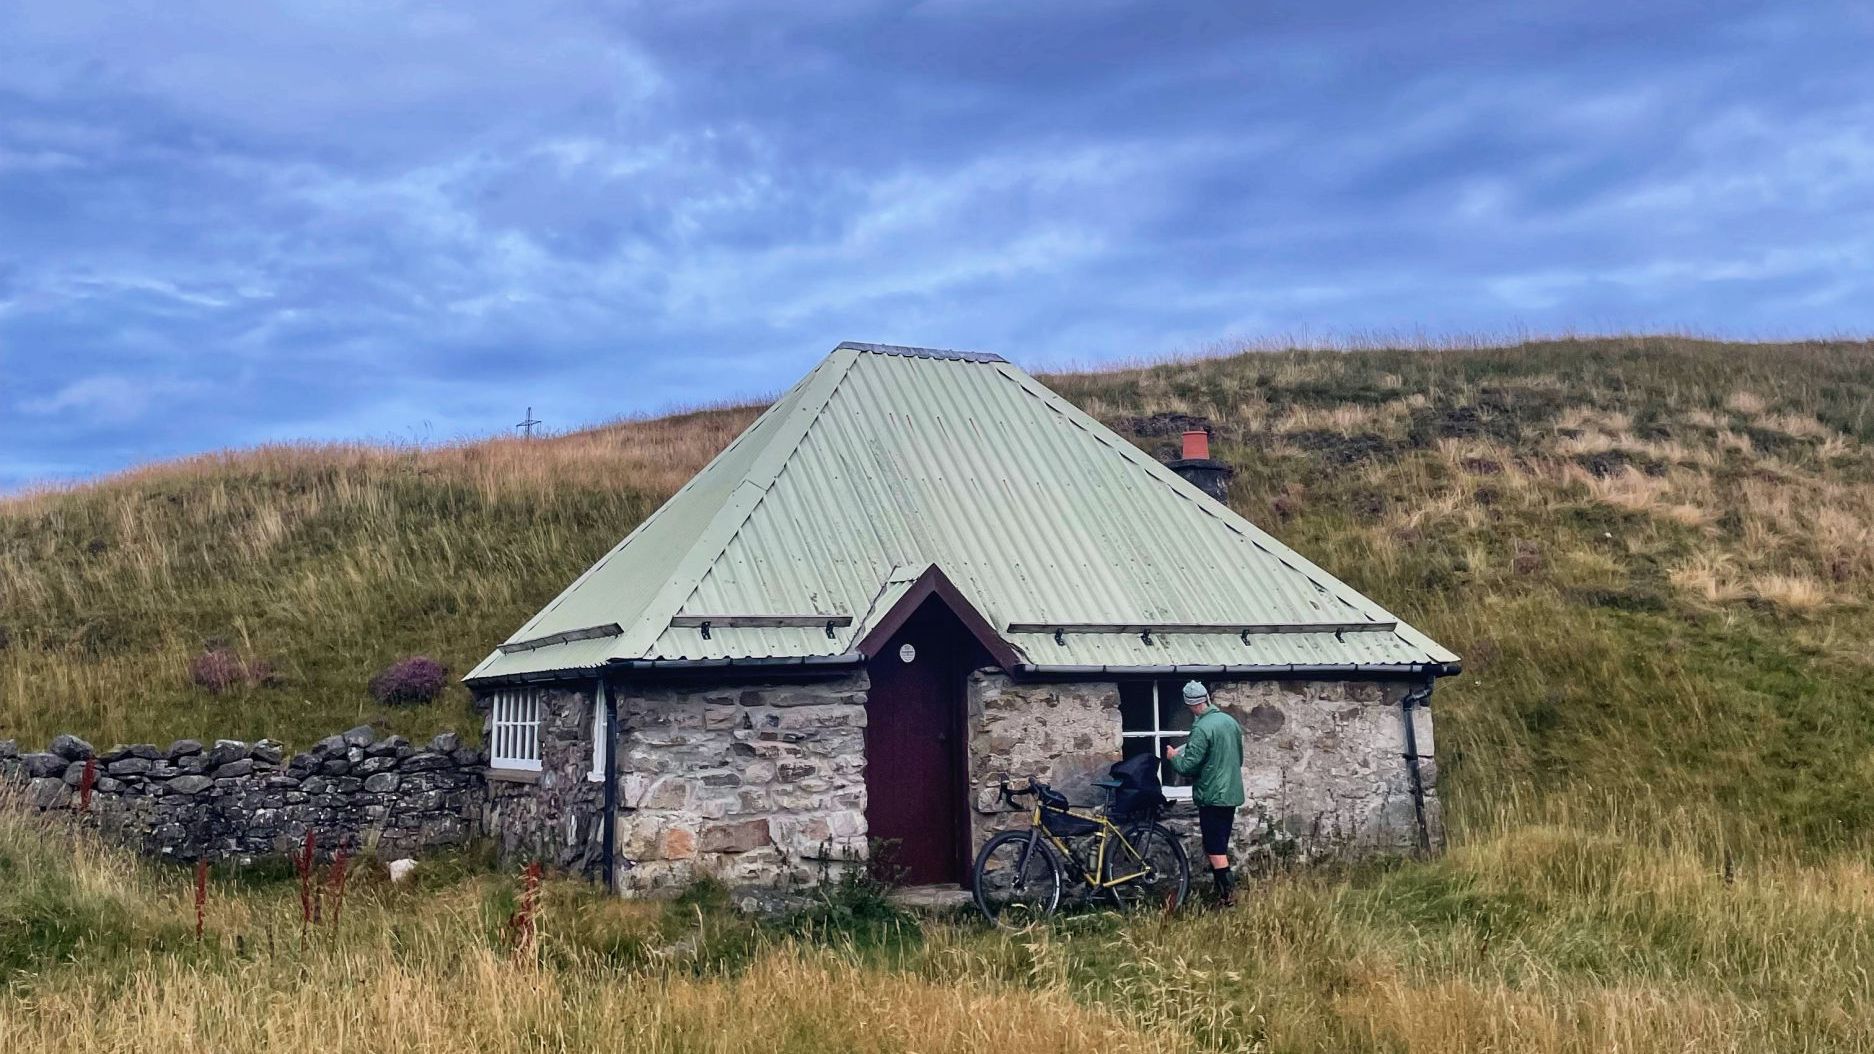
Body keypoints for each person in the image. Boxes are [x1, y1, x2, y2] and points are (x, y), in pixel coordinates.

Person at [1165, 680, 1244, 906]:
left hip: (1212, 796)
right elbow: (1239, 756)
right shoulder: (1230, 722)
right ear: (1207, 698)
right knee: (1220, 844)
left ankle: (1228, 897)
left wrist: (1173, 758)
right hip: (1230, 793)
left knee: (1214, 849)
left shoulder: (1201, 728)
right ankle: (1225, 894)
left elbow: (1188, 766)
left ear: (1191, 705)